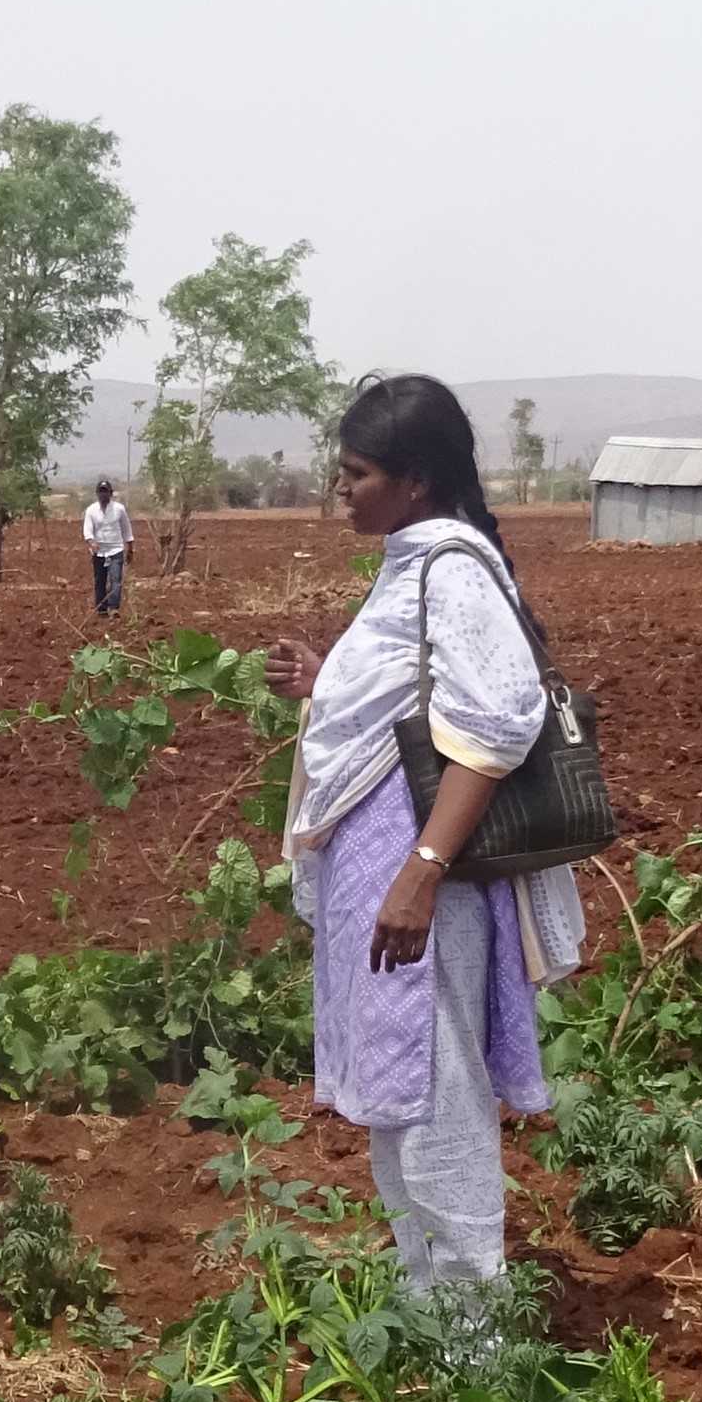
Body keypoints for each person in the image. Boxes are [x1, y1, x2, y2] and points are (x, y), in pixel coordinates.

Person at [254, 374, 587, 1296]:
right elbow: (419, 703)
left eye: (355, 472)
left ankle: (471, 1329)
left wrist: (420, 871)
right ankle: (426, 1304)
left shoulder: (449, 566)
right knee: (406, 1090)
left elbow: (495, 724)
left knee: (436, 1090)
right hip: (397, 882)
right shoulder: (414, 560)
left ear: (414, 481)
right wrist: (327, 683)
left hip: (419, 885)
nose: (340, 488)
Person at [81, 476, 131, 614]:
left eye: (106, 491)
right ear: (97, 493)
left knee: (115, 579)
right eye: (101, 491)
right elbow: (87, 530)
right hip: (99, 551)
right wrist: (91, 542)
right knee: (100, 581)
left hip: (116, 550)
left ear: (111, 493)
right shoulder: (91, 510)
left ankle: (114, 608)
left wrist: (130, 547)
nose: (103, 494)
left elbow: (127, 529)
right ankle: (101, 608)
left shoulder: (119, 509)